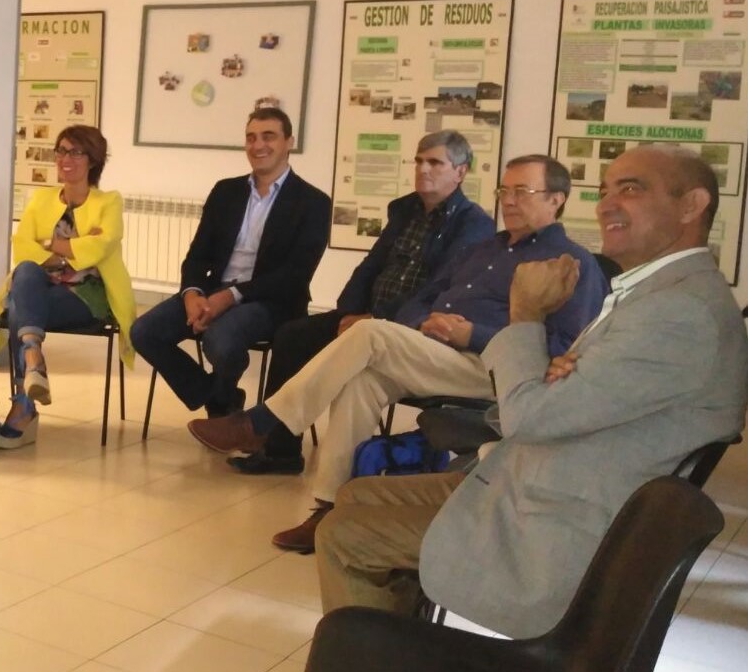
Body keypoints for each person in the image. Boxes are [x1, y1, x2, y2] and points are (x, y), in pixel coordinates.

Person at [316, 146, 747, 639]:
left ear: (691, 205)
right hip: (540, 474)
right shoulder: (661, 295)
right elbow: (558, 393)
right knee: (354, 494)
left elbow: (529, 416)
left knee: (342, 534)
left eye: (631, 189)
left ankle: (379, 662)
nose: (607, 205)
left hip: (555, 523)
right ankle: (406, 644)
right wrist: (550, 374)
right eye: (605, 190)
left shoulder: (678, 313)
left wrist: (525, 316)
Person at [198, 154, 608, 553]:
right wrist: (421, 323)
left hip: (497, 370)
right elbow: (422, 298)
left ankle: (263, 422)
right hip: (435, 352)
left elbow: (562, 347)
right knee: (362, 381)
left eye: (523, 191)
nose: (510, 200)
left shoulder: (572, 263)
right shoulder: (484, 249)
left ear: (556, 199)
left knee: (371, 333)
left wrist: (474, 334)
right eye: (505, 190)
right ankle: (331, 509)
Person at [234, 131, 494, 475]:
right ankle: (280, 451)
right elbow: (371, 265)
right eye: (418, 161)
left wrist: (374, 317)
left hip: (412, 327)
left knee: (355, 355)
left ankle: (264, 424)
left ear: (460, 172)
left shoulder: (473, 225)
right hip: (366, 316)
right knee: (292, 336)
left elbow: (436, 290)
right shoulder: (405, 211)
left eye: (435, 163)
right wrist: (350, 311)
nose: (423, 169)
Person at [128, 107, 330, 422]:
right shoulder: (226, 191)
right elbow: (197, 254)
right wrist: (192, 293)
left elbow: (295, 274)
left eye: (268, 136)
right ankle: (218, 395)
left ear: (289, 142)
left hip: (272, 301)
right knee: (144, 331)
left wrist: (232, 296)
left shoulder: (313, 202)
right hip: (214, 289)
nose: (258, 145)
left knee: (221, 340)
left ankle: (222, 406)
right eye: (251, 138)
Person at [0, 125, 135, 449]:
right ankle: (33, 358)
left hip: (86, 294)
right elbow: (22, 246)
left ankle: (24, 404)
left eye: (76, 152)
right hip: (40, 287)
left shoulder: (109, 201)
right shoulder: (42, 199)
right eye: (62, 151)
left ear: (93, 160)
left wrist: (49, 245)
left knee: (20, 306)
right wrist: (75, 247)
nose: (66, 159)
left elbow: (102, 245)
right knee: (26, 271)